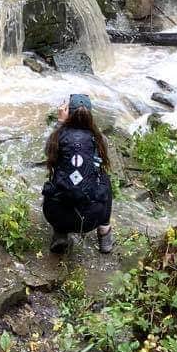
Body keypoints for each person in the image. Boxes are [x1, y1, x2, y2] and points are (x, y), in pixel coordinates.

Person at [42, 93, 113, 254]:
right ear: (90, 115)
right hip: (91, 219)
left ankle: (60, 233)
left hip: (56, 215)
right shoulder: (100, 139)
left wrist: (60, 122)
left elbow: (48, 154)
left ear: (68, 113)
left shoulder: (56, 137)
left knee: (57, 175)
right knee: (104, 179)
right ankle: (104, 234)